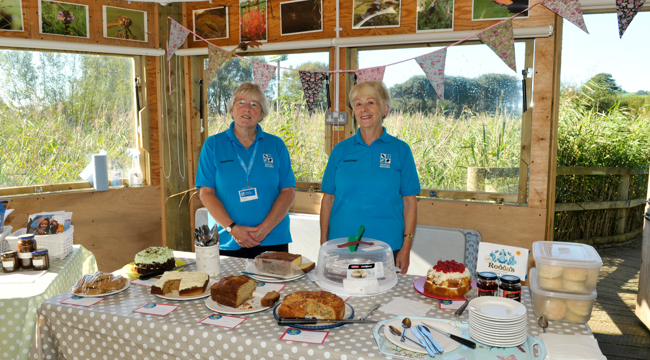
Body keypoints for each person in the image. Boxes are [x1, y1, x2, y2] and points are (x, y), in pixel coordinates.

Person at [319, 81, 420, 274]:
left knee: (383, 300)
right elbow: (328, 199)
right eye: (358, 103)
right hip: (341, 245)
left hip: (387, 247)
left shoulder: (400, 150)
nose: (363, 109)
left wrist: (406, 248)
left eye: (370, 102)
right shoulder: (340, 150)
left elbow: (410, 203)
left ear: (385, 109)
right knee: (342, 297)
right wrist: (324, 244)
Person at [196, 82, 296, 259]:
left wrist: (264, 229)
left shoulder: (276, 145)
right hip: (228, 239)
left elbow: (288, 191)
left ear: (261, 114)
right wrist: (233, 228)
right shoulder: (213, 145)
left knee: (275, 287)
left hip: (272, 238)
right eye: (241, 102)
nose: (247, 108)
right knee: (228, 287)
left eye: (254, 104)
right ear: (231, 110)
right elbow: (206, 193)